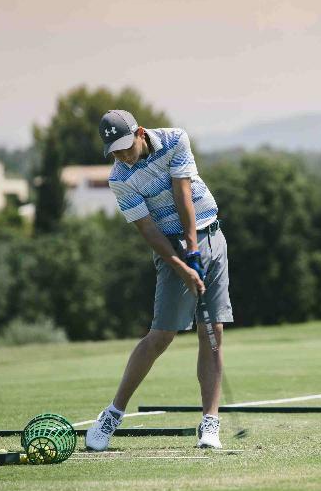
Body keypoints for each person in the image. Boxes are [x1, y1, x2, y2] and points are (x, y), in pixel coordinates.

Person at [85, 110, 233, 450]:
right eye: (115, 151)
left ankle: (210, 424)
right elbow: (148, 229)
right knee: (160, 336)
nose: (122, 156)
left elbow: (183, 194)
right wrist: (181, 265)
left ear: (139, 133)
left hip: (207, 234)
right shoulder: (119, 178)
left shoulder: (175, 139)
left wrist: (193, 250)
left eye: (125, 147)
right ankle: (112, 413)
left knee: (212, 331)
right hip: (168, 247)